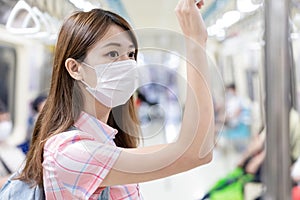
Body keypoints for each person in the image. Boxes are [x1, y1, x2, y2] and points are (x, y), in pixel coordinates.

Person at [16, 0, 214, 199]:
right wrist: (195, 41)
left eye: (130, 54)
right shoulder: (70, 153)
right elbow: (195, 152)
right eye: (112, 53)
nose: (127, 64)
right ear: (75, 68)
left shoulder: (105, 140)